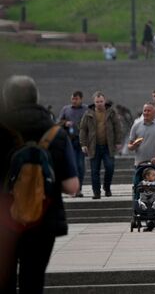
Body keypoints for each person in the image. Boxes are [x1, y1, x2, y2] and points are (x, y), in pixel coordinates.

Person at [0, 75, 80, 293]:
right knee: (32, 281)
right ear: (36, 97)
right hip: (43, 220)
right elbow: (72, 187)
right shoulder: (56, 133)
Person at [79, 91, 120, 198]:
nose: (99, 103)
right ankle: (96, 192)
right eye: (97, 102)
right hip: (94, 146)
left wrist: (118, 141)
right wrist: (83, 144)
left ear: (104, 101)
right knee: (94, 171)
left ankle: (107, 187)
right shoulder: (88, 113)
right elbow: (83, 129)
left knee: (110, 167)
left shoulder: (111, 112)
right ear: (94, 102)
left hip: (108, 146)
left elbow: (117, 127)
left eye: (101, 101)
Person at [125, 103, 155, 182]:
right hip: (140, 163)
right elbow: (129, 145)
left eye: (149, 111)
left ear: (154, 112)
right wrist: (133, 146)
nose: (146, 113)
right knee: (136, 186)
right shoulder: (136, 126)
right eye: (144, 110)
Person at [57, 91, 86, 197]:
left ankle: (79, 189)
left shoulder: (86, 109)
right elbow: (58, 122)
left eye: (76, 99)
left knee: (80, 166)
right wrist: (65, 123)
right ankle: (73, 190)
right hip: (69, 141)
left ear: (81, 99)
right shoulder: (66, 109)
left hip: (82, 141)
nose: (74, 101)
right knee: (72, 165)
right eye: (72, 99)